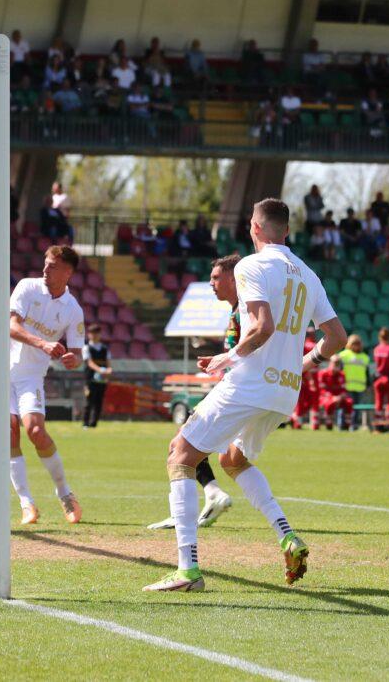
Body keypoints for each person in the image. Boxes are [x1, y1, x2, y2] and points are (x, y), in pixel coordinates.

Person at [142, 199, 347, 592]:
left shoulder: (251, 267)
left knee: (180, 456)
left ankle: (187, 570)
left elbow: (263, 327)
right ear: (285, 231)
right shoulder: (309, 274)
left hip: (251, 382)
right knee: (233, 459)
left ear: (255, 227)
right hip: (284, 391)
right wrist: (304, 363)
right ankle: (287, 536)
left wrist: (226, 357)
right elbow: (336, 338)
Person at [148, 255, 238, 531]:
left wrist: (226, 361)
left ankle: (185, 513)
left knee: (179, 446)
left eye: (215, 278)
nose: (211, 283)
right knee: (220, 457)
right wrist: (219, 357)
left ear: (233, 279)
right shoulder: (239, 311)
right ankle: (213, 494)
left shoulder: (246, 310)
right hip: (237, 391)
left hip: (235, 393)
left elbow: (253, 350)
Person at [8, 245, 86, 525]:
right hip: (0, 370)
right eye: (45, 262)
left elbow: (77, 353)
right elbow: (11, 326)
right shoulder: (27, 287)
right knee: (9, 431)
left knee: (36, 430)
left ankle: (65, 493)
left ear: (68, 272)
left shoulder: (73, 310)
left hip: (31, 376)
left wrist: (71, 359)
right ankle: (26, 504)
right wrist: (42, 343)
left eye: (52, 265)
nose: (45, 269)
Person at [81, 324, 112, 428]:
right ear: (89, 334)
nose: (94, 335)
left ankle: (94, 423)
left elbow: (108, 363)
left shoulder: (104, 349)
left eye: (96, 333)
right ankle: (85, 423)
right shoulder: (86, 348)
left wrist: (108, 370)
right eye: (92, 333)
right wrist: (100, 370)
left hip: (101, 380)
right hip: (90, 379)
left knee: (99, 401)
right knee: (89, 401)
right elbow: (89, 363)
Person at [337, 334, 370, 425]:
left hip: (360, 387)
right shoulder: (343, 355)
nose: (356, 346)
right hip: (346, 386)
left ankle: (354, 425)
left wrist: (368, 385)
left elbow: (367, 374)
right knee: (345, 406)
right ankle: (342, 425)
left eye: (358, 343)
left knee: (356, 408)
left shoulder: (365, 357)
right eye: (354, 343)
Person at [316, 356, 354, 430]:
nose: (336, 365)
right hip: (325, 397)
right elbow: (322, 389)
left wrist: (340, 396)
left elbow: (343, 389)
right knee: (329, 403)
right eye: (335, 363)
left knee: (349, 402)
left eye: (338, 363)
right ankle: (329, 424)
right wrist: (332, 397)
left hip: (339, 397)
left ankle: (347, 425)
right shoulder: (323, 373)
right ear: (330, 363)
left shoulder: (342, 374)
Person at [372, 327, 389, 418]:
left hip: (378, 378)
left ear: (379, 337)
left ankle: (378, 422)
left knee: (378, 401)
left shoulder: (376, 349)